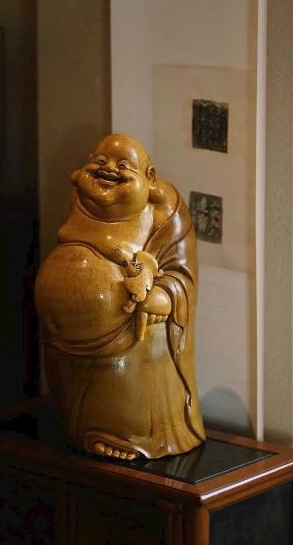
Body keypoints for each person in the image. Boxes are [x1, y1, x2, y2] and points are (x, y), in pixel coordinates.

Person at [35, 134, 205, 460]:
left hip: (135, 338)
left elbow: (182, 274)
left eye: (123, 165)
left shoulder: (166, 209)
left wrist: (162, 297)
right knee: (82, 395)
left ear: (149, 177)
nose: (108, 169)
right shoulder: (81, 198)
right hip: (69, 342)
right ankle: (88, 428)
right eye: (99, 162)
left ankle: (135, 436)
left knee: (126, 382)